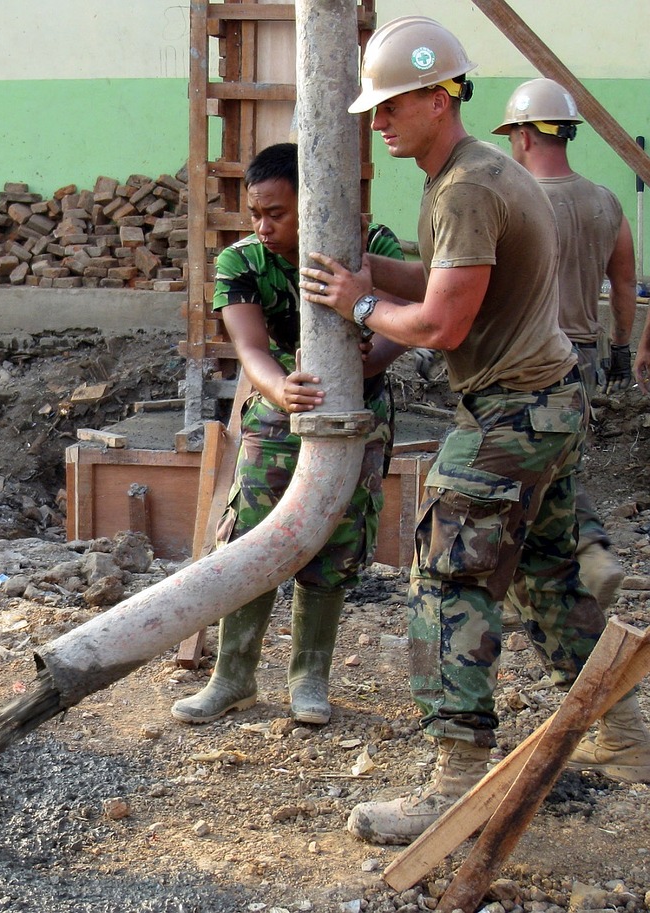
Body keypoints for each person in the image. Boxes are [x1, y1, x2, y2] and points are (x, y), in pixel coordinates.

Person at [297, 16, 650, 846]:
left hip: (511, 412)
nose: (377, 121)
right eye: (372, 108)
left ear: (435, 95)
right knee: (552, 577)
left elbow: (446, 323)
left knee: (448, 578)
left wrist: (357, 303)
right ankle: (630, 740)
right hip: (550, 401)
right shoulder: (473, 174)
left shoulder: (465, 186)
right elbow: (457, 277)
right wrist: (368, 269)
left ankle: (456, 780)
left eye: (390, 106)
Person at [171, 142, 408, 728]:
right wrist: (282, 390)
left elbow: (404, 324)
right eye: (256, 212)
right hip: (278, 414)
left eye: (276, 213)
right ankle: (233, 677)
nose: (262, 225)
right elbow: (249, 347)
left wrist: (366, 362)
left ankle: (309, 680)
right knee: (252, 538)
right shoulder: (243, 262)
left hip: (358, 412)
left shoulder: (371, 249)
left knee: (334, 540)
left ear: (314, 203)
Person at [493, 77, 632, 608]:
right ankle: (530, 586)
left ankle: (589, 553)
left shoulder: (518, 204)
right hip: (586, 354)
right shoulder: (605, 201)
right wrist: (621, 347)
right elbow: (624, 282)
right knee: (558, 463)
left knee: (515, 470)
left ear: (525, 135)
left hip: (529, 358)